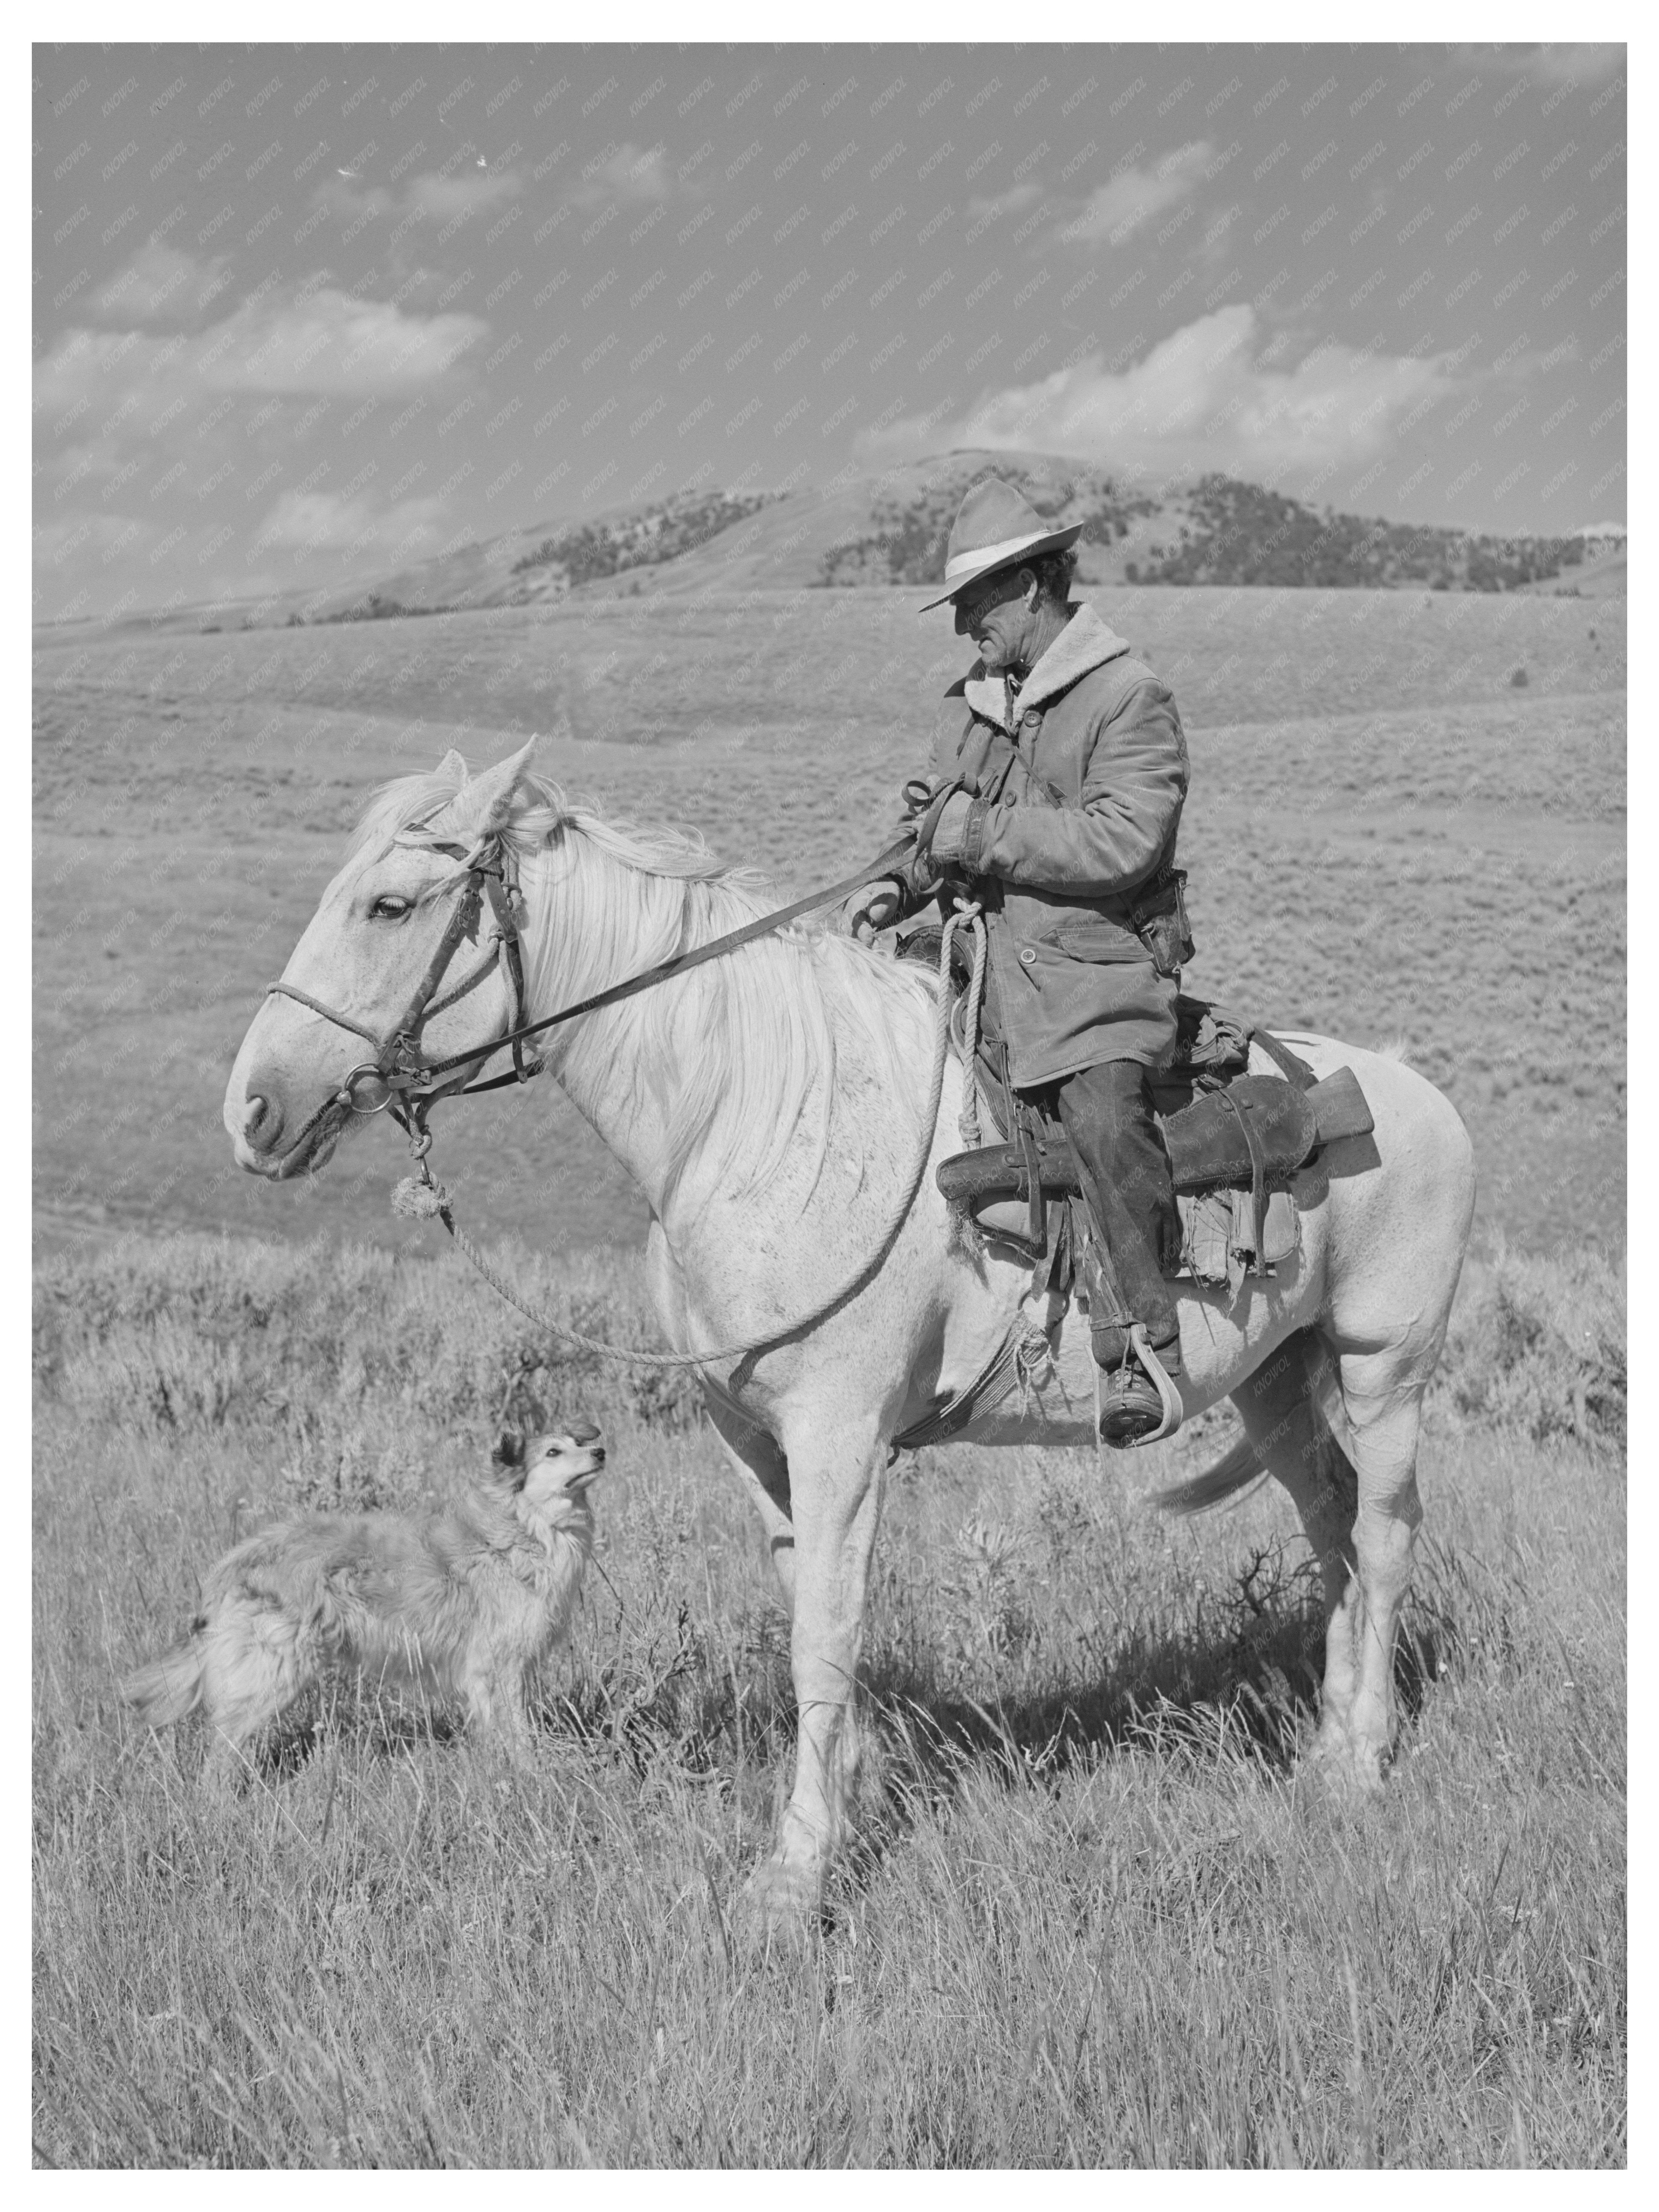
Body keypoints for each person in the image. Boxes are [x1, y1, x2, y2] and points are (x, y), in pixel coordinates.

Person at [847, 477, 1193, 1443]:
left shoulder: (1128, 696)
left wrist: (981, 833)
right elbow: (931, 823)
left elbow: (1126, 840)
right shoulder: (967, 704)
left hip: (1090, 982)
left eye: (976, 601)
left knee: (1098, 1112)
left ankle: (1140, 1349)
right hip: (977, 977)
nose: (962, 624)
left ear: (1035, 586)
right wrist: (891, 884)